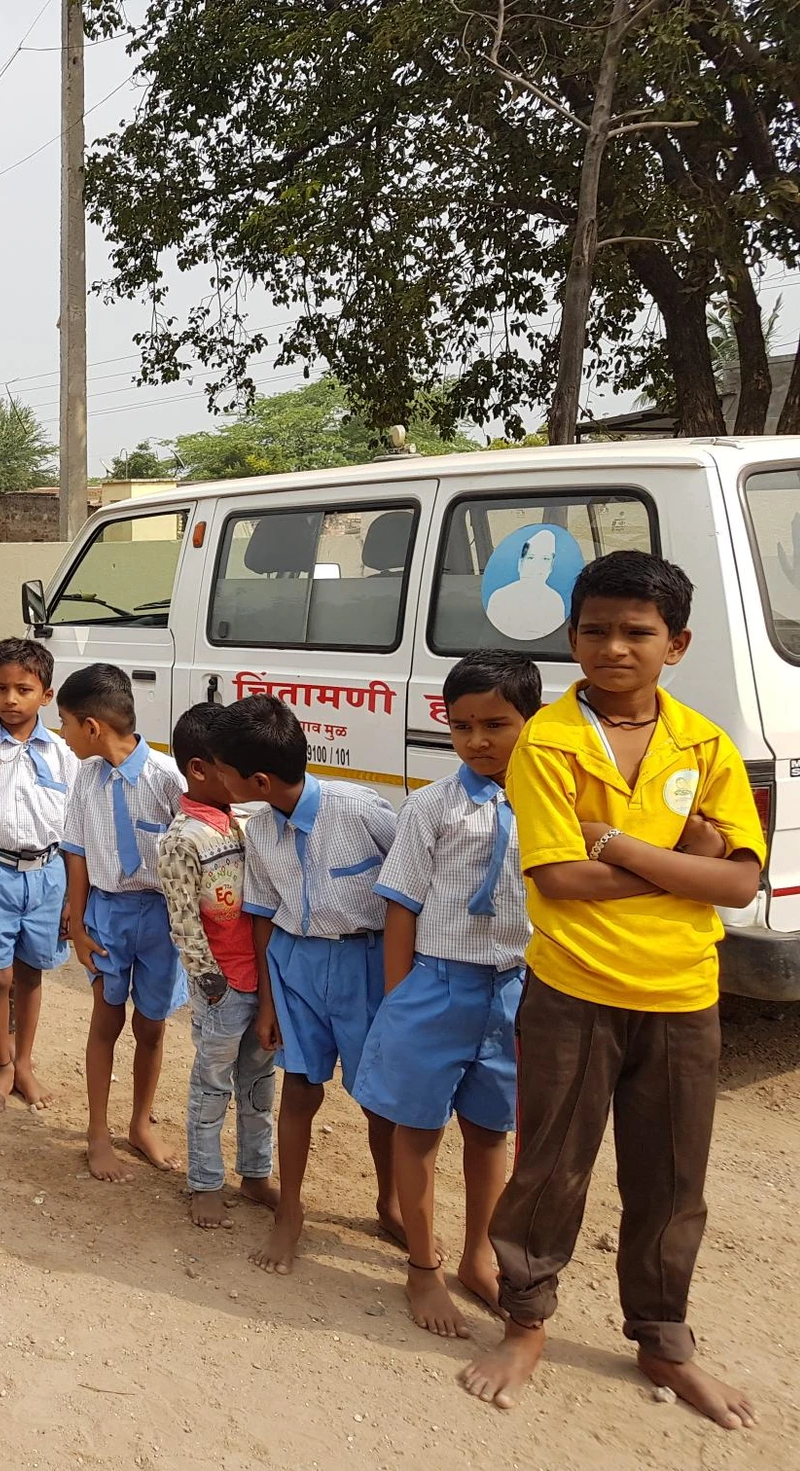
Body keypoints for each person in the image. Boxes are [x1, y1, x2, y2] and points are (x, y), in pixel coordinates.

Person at [460, 552, 764, 1428]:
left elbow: (741, 883)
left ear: (676, 643)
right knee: (550, 1168)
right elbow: (559, 881)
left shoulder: (703, 743)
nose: (614, 647)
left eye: (638, 631)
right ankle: (525, 1322)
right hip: (572, 989)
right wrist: (685, 863)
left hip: (680, 994)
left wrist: (622, 848)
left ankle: (662, 1337)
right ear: (571, 637)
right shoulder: (545, 744)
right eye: (595, 629)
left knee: (671, 1178)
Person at [349, 648, 539, 1337]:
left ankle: (476, 1255)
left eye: (496, 724)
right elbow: (400, 905)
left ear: (530, 719)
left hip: (513, 988)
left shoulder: (549, 802)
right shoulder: (431, 806)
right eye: (462, 727)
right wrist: (399, 997)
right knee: (418, 1126)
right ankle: (422, 1266)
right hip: (435, 983)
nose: (478, 740)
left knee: (493, 1129)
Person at [213, 694, 398, 1276]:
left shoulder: (362, 809)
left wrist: (402, 986)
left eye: (222, 769)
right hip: (296, 971)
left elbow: (408, 889)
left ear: (259, 779)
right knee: (300, 1089)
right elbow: (265, 916)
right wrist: (268, 1004)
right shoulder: (260, 829)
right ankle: (288, 1211)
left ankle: (390, 1204)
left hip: (368, 968)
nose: (216, 777)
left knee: (381, 1099)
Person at [57, 662, 188, 1180]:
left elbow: (190, 853)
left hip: (160, 918)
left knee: (151, 1026)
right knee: (106, 1019)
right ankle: (96, 1132)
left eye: (65, 723)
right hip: (106, 911)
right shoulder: (86, 778)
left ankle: (139, 1124)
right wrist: (78, 923)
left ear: (91, 727)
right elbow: (76, 851)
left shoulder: (166, 778)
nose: (62, 735)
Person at [0, 638, 80, 1114]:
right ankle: (2, 1063)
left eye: (23, 688)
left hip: (47, 876)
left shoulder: (65, 755)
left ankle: (24, 1061)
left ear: (45, 695)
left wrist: (72, 900)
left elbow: (73, 834)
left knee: (30, 973)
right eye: (0, 687)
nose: (10, 699)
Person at [160, 702, 277, 1230]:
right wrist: (213, 986)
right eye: (228, 765)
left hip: (262, 982)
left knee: (259, 1081)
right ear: (200, 769)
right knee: (211, 1085)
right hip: (224, 988)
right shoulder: (183, 838)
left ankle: (255, 1173)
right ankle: (205, 1181)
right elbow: (184, 923)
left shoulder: (241, 823)